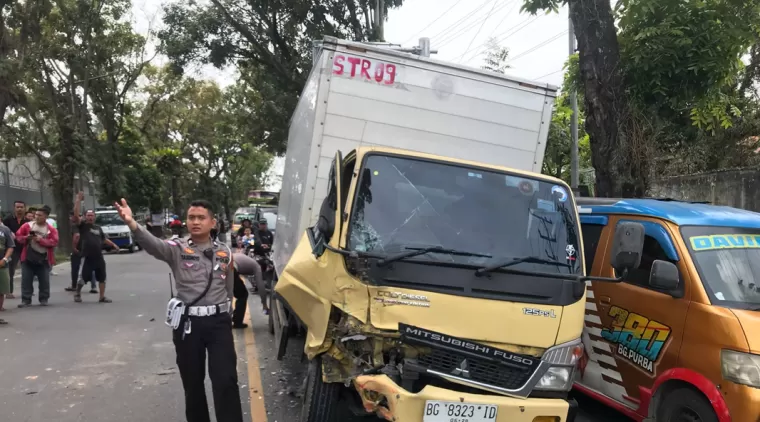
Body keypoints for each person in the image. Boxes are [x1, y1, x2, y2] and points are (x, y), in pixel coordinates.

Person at [115, 197, 260, 422]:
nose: (195, 222)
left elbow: (229, 288)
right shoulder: (176, 248)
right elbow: (154, 245)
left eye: (201, 218)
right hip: (188, 325)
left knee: (226, 380)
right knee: (193, 384)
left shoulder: (224, 253)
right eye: (191, 217)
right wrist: (132, 223)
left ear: (213, 223)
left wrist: (225, 315)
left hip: (219, 324)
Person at [72, 192, 118, 303]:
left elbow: (103, 239)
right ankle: (77, 293)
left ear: (95, 217)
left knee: (102, 277)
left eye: (92, 215)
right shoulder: (83, 226)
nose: (90, 217)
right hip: (87, 256)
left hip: (98, 257)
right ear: (85, 217)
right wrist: (78, 200)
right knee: (83, 277)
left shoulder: (98, 228)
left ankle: (102, 297)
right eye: (88, 215)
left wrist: (113, 245)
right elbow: (76, 215)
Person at [15, 206, 59, 307]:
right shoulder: (27, 226)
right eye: (36, 215)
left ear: (45, 217)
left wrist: (41, 240)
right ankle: (26, 300)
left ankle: (44, 299)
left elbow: (54, 242)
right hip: (27, 258)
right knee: (26, 280)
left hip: (43, 258)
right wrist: (27, 238)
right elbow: (18, 237)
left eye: (40, 215)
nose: (37, 217)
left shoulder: (50, 229)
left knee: (44, 281)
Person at [2, 200, 27, 299]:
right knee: (10, 270)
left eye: (21, 207)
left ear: (25, 208)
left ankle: (27, 291)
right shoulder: (8, 219)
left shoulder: (27, 221)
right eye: (17, 207)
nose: (19, 209)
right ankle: (9, 291)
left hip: (25, 247)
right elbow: (3, 230)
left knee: (26, 270)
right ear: (14, 208)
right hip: (12, 248)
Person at [0, 219, 15, 320]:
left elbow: (10, 246)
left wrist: (4, 259)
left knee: (1, 290)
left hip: (2, 264)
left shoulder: (5, 230)